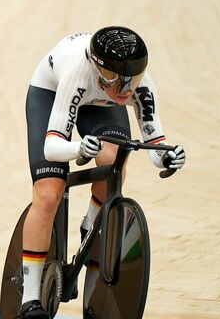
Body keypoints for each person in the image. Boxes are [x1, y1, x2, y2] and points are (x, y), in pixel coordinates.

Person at [17, 26, 186, 318]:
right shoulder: (78, 73)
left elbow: (154, 142)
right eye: (114, 80)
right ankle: (29, 300)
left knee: (113, 163)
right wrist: (79, 149)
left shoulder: (137, 85)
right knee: (48, 193)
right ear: (97, 68)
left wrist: (168, 157)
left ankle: (91, 225)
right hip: (52, 94)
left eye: (130, 83)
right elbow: (52, 147)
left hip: (98, 102)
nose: (123, 90)